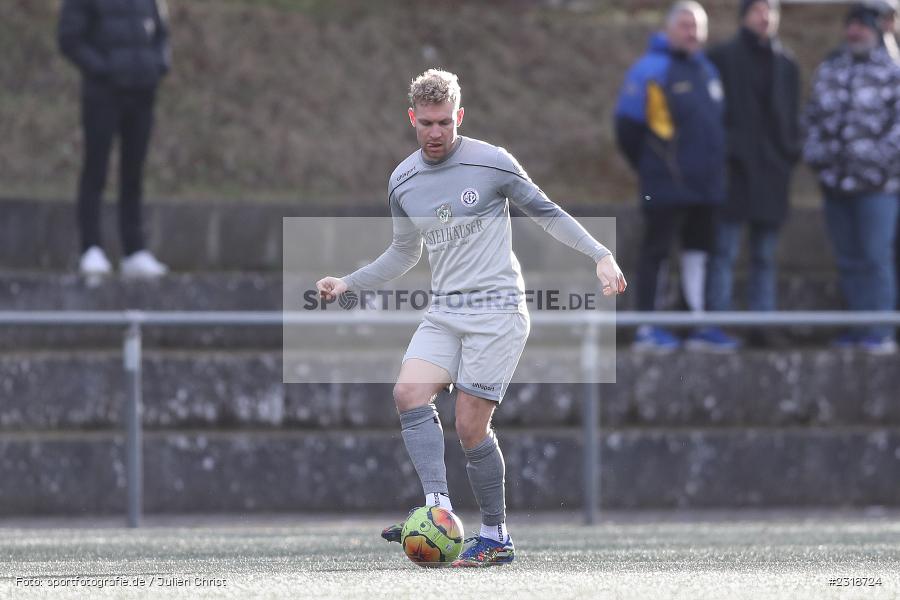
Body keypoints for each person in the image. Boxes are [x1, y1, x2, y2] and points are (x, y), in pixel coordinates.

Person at [315, 69, 626, 567]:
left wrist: (600, 254)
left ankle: (496, 535)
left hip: (499, 312)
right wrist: (348, 282)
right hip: (445, 312)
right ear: (411, 119)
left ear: (459, 116)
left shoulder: (492, 162)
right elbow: (402, 253)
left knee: (469, 427)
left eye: (445, 122)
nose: (435, 133)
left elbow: (546, 211)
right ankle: (438, 510)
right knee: (407, 393)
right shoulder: (403, 181)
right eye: (426, 124)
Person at [614, 1, 727, 353]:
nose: (692, 33)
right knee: (656, 253)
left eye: (697, 26)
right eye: (685, 25)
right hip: (664, 184)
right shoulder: (651, 69)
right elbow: (627, 127)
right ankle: (648, 327)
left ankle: (696, 324)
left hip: (705, 187)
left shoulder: (707, 69)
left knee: (699, 253)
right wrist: (653, 165)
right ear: (669, 29)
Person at [803, 3, 900, 354]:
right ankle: (859, 328)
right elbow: (812, 119)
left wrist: (872, 163)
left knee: (876, 258)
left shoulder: (893, 71)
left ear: (876, 29)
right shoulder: (830, 69)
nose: (855, 32)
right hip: (835, 186)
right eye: (851, 26)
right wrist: (819, 159)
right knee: (848, 260)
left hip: (878, 189)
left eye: (862, 26)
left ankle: (881, 331)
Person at [705, 0, 801, 349]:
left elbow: (791, 118)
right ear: (744, 15)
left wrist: (789, 153)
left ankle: (763, 326)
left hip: (772, 175)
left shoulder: (787, 63)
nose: (766, 16)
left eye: (771, 10)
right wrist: (729, 151)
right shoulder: (722, 58)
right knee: (724, 253)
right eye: (759, 9)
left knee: (765, 257)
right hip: (733, 174)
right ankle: (719, 325)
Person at [58, 0, 171, 280]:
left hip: (142, 91)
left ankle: (134, 250)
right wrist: (104, 69)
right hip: (103, 94)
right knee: (95, 168)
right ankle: (91, 247)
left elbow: (161, 32)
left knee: (133, 172)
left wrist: (157, 66)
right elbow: (69, 39)